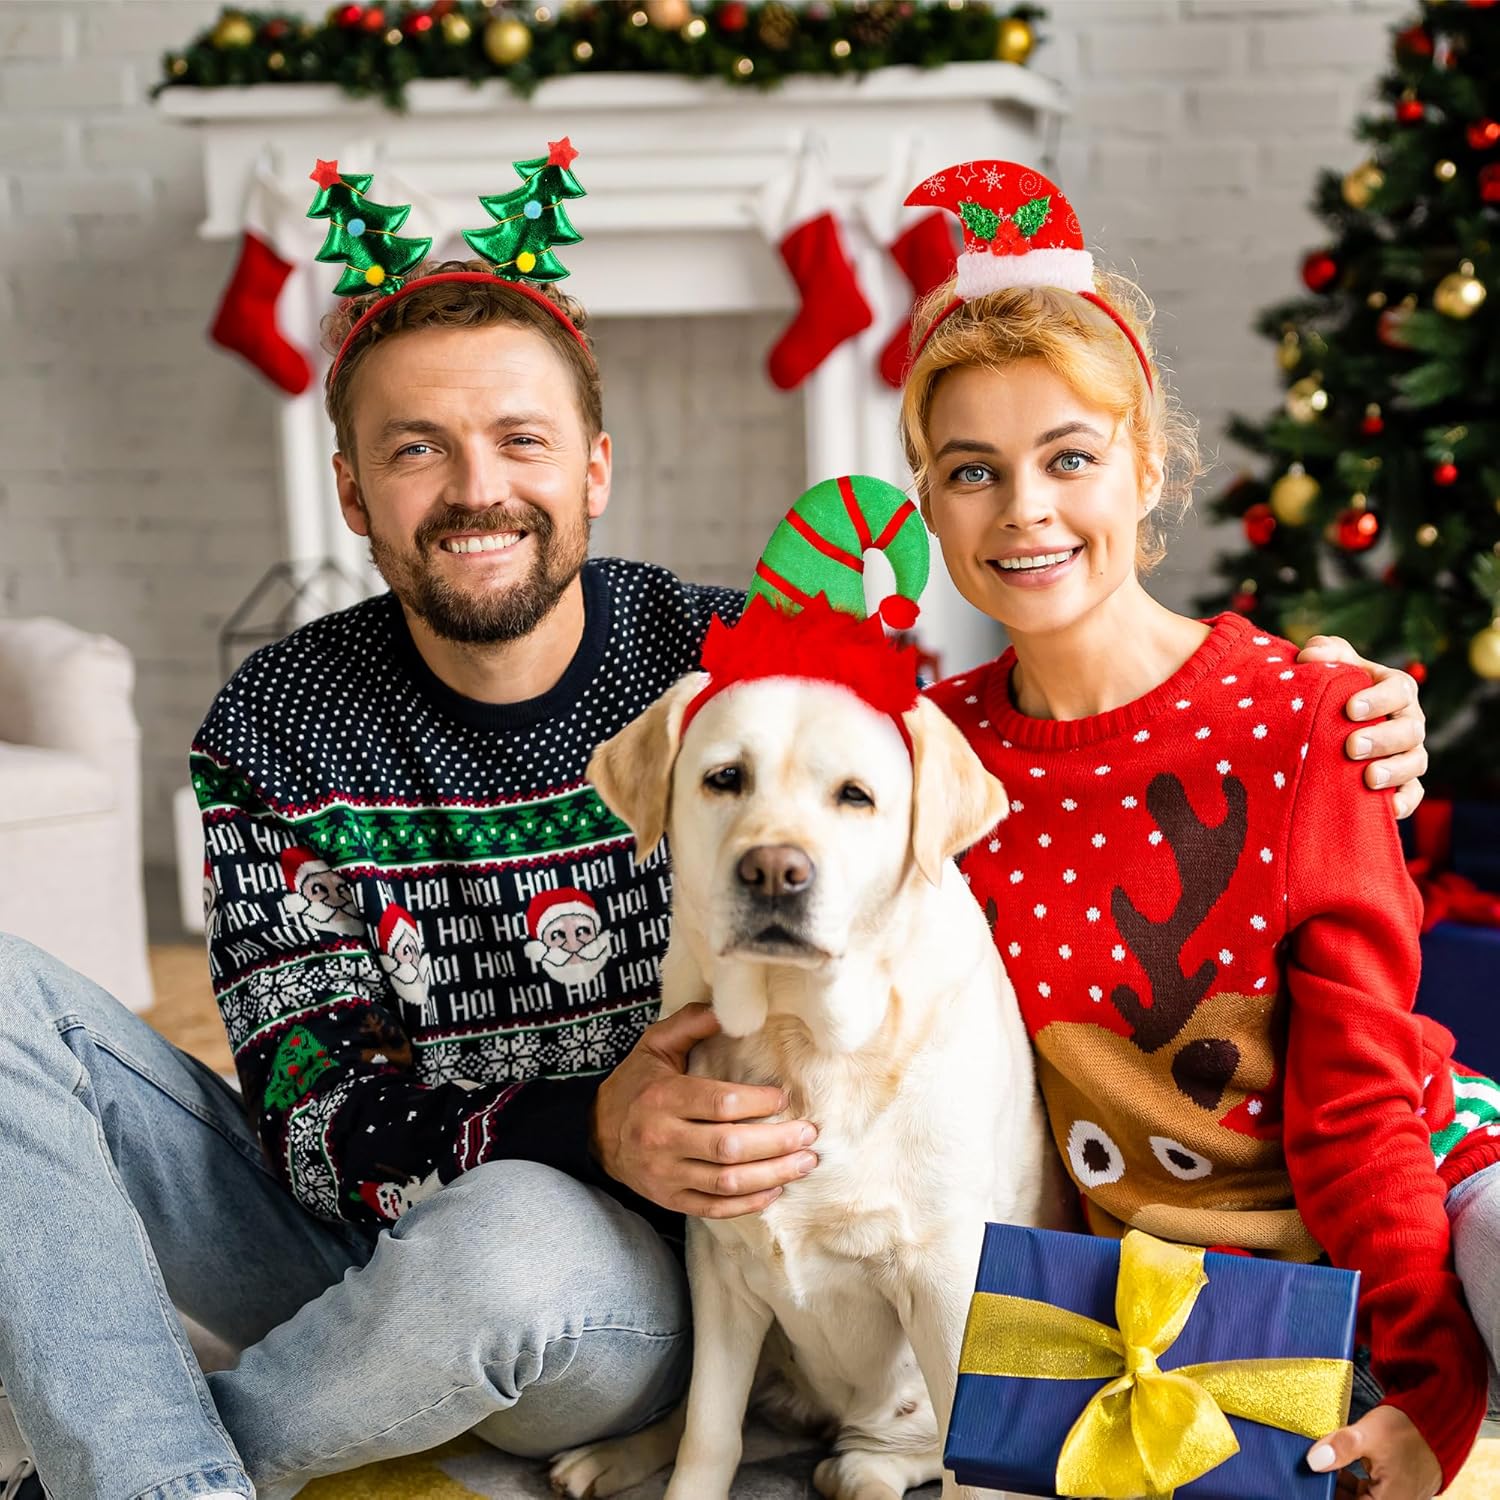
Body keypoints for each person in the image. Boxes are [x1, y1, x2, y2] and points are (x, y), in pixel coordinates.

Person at [0, 240, 1429, 1500]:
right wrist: (586, 1122)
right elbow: (306, 1121)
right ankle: (192, 1454)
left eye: (521, 439)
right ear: (354, 490)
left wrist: (1312, 707)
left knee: (510, 1250)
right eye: (418, 447)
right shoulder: (277, 720)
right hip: (361, 1238)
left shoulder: (738, 668)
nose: (476, 487)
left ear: (597, 468)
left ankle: (159, 1449)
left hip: (613, 1277)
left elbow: (993, 770)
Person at [900, 161, 1499, 1500]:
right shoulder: (921, 763)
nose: (1025, 511)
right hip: (1153, 1266)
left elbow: (1354, 1108)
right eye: (972, 471)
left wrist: (1428, 1391)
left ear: (1149, 464)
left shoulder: (1307, 719)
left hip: (1421, 1176)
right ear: (928, 502)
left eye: (1070, 458)